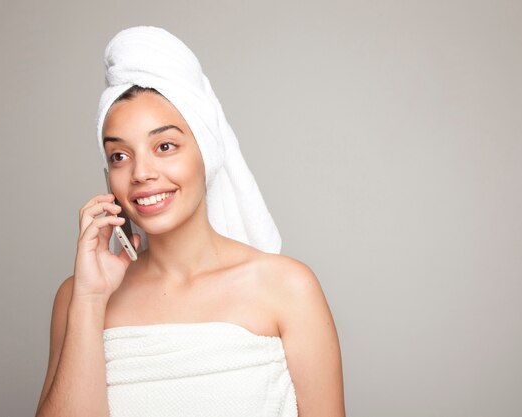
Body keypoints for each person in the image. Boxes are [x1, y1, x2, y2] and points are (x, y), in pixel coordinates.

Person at [35, 26, 345, 417]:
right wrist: (90, 301)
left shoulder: (287, 288)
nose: (141, 173)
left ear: (207, 152)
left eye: (165, 146)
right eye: (119, 155)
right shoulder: (78, 297)